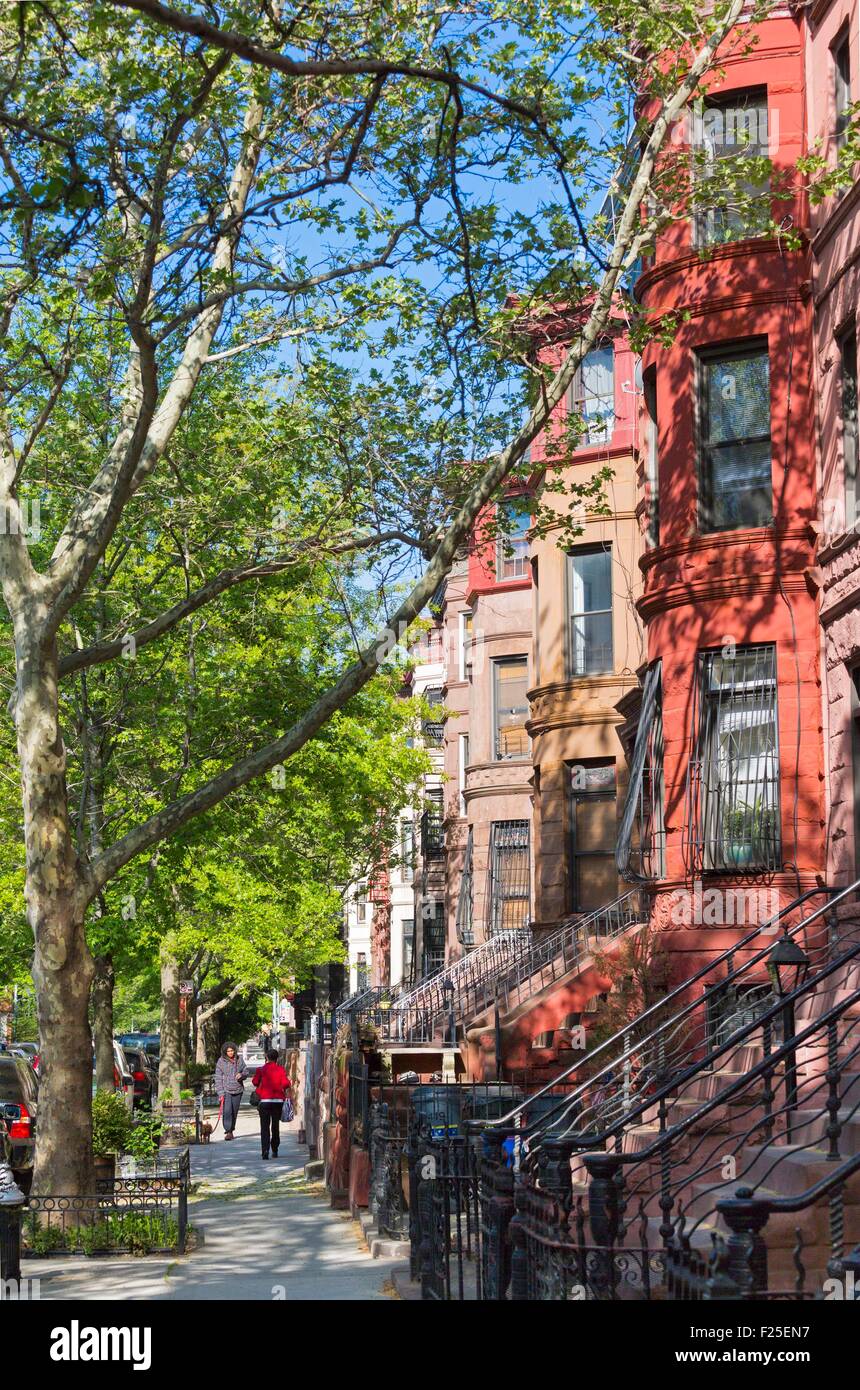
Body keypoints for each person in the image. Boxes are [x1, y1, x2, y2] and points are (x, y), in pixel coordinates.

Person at [252, 1047, 291, 1159]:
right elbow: (285, 1084)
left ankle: (265, 1150)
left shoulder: (261, 1070)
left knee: (264, 1127)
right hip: (278, 1101)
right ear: (277, 1059)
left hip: (264, 1101)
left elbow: (255, 1082)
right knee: (275, 1126)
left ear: (267, 1058)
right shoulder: (281, 1070)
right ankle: (275, 1149)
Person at [214, 1042, 248, 1140]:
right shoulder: (221, 1061)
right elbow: (218, 1077)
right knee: (227, 1111)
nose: (230, 1053)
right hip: (226, 1090)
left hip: (238, 1089)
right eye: (228, 1051)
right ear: (225, 1052)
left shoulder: (239, 1060)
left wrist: (242, 1075)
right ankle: (228, 1131)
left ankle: (231, 1130)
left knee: (234, 1111)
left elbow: (246, 1070)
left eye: (232, 1050)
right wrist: (220, 1092)